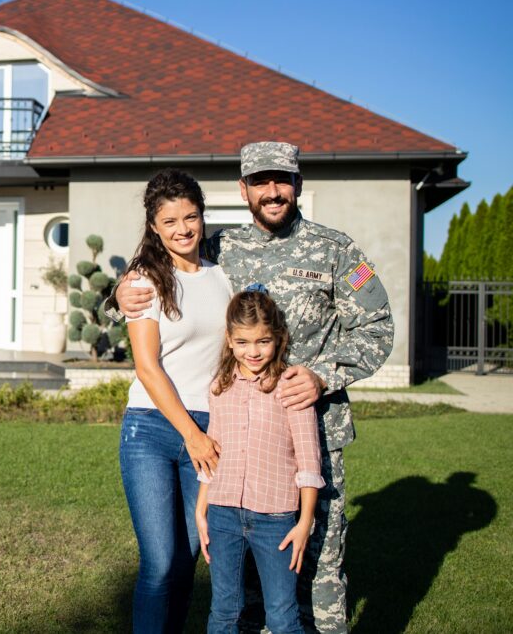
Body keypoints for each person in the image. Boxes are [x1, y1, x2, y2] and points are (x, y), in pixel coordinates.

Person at [111, 141, 394, 633]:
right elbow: (159, 272)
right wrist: (116, 296)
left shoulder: (338, 251)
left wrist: (323, 374)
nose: (272, 191)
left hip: (314, 431)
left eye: (281, 180)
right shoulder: (223, 248)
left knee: (320, 562)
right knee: (241, 570)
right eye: (260, 182)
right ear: (243, 190)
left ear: (298, 184)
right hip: (241, 435)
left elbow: (380, 327)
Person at [119, 168, 233, 633]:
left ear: (203, 217)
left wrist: (206, 434)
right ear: (153, 226)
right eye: (170, 221)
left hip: (208, 427)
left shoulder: (223, 275)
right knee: (160, 562)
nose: (182, 229)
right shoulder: (144, 281)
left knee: (188, 559)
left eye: (191, 217)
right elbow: (147, 367)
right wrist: (192, 436)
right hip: (152, 429)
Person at [196, 290, 325, 634]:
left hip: (276, 521)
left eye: (263, 341)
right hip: (223, 514)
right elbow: (212, 454)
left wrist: (304, 523)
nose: (253, 351)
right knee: (225, 610)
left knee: (282, 617)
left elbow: (309, 463)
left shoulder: (291, 387)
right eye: (243, 342)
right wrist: (201, 508)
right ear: (229, 340)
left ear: (277, 338)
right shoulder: (220, 387)